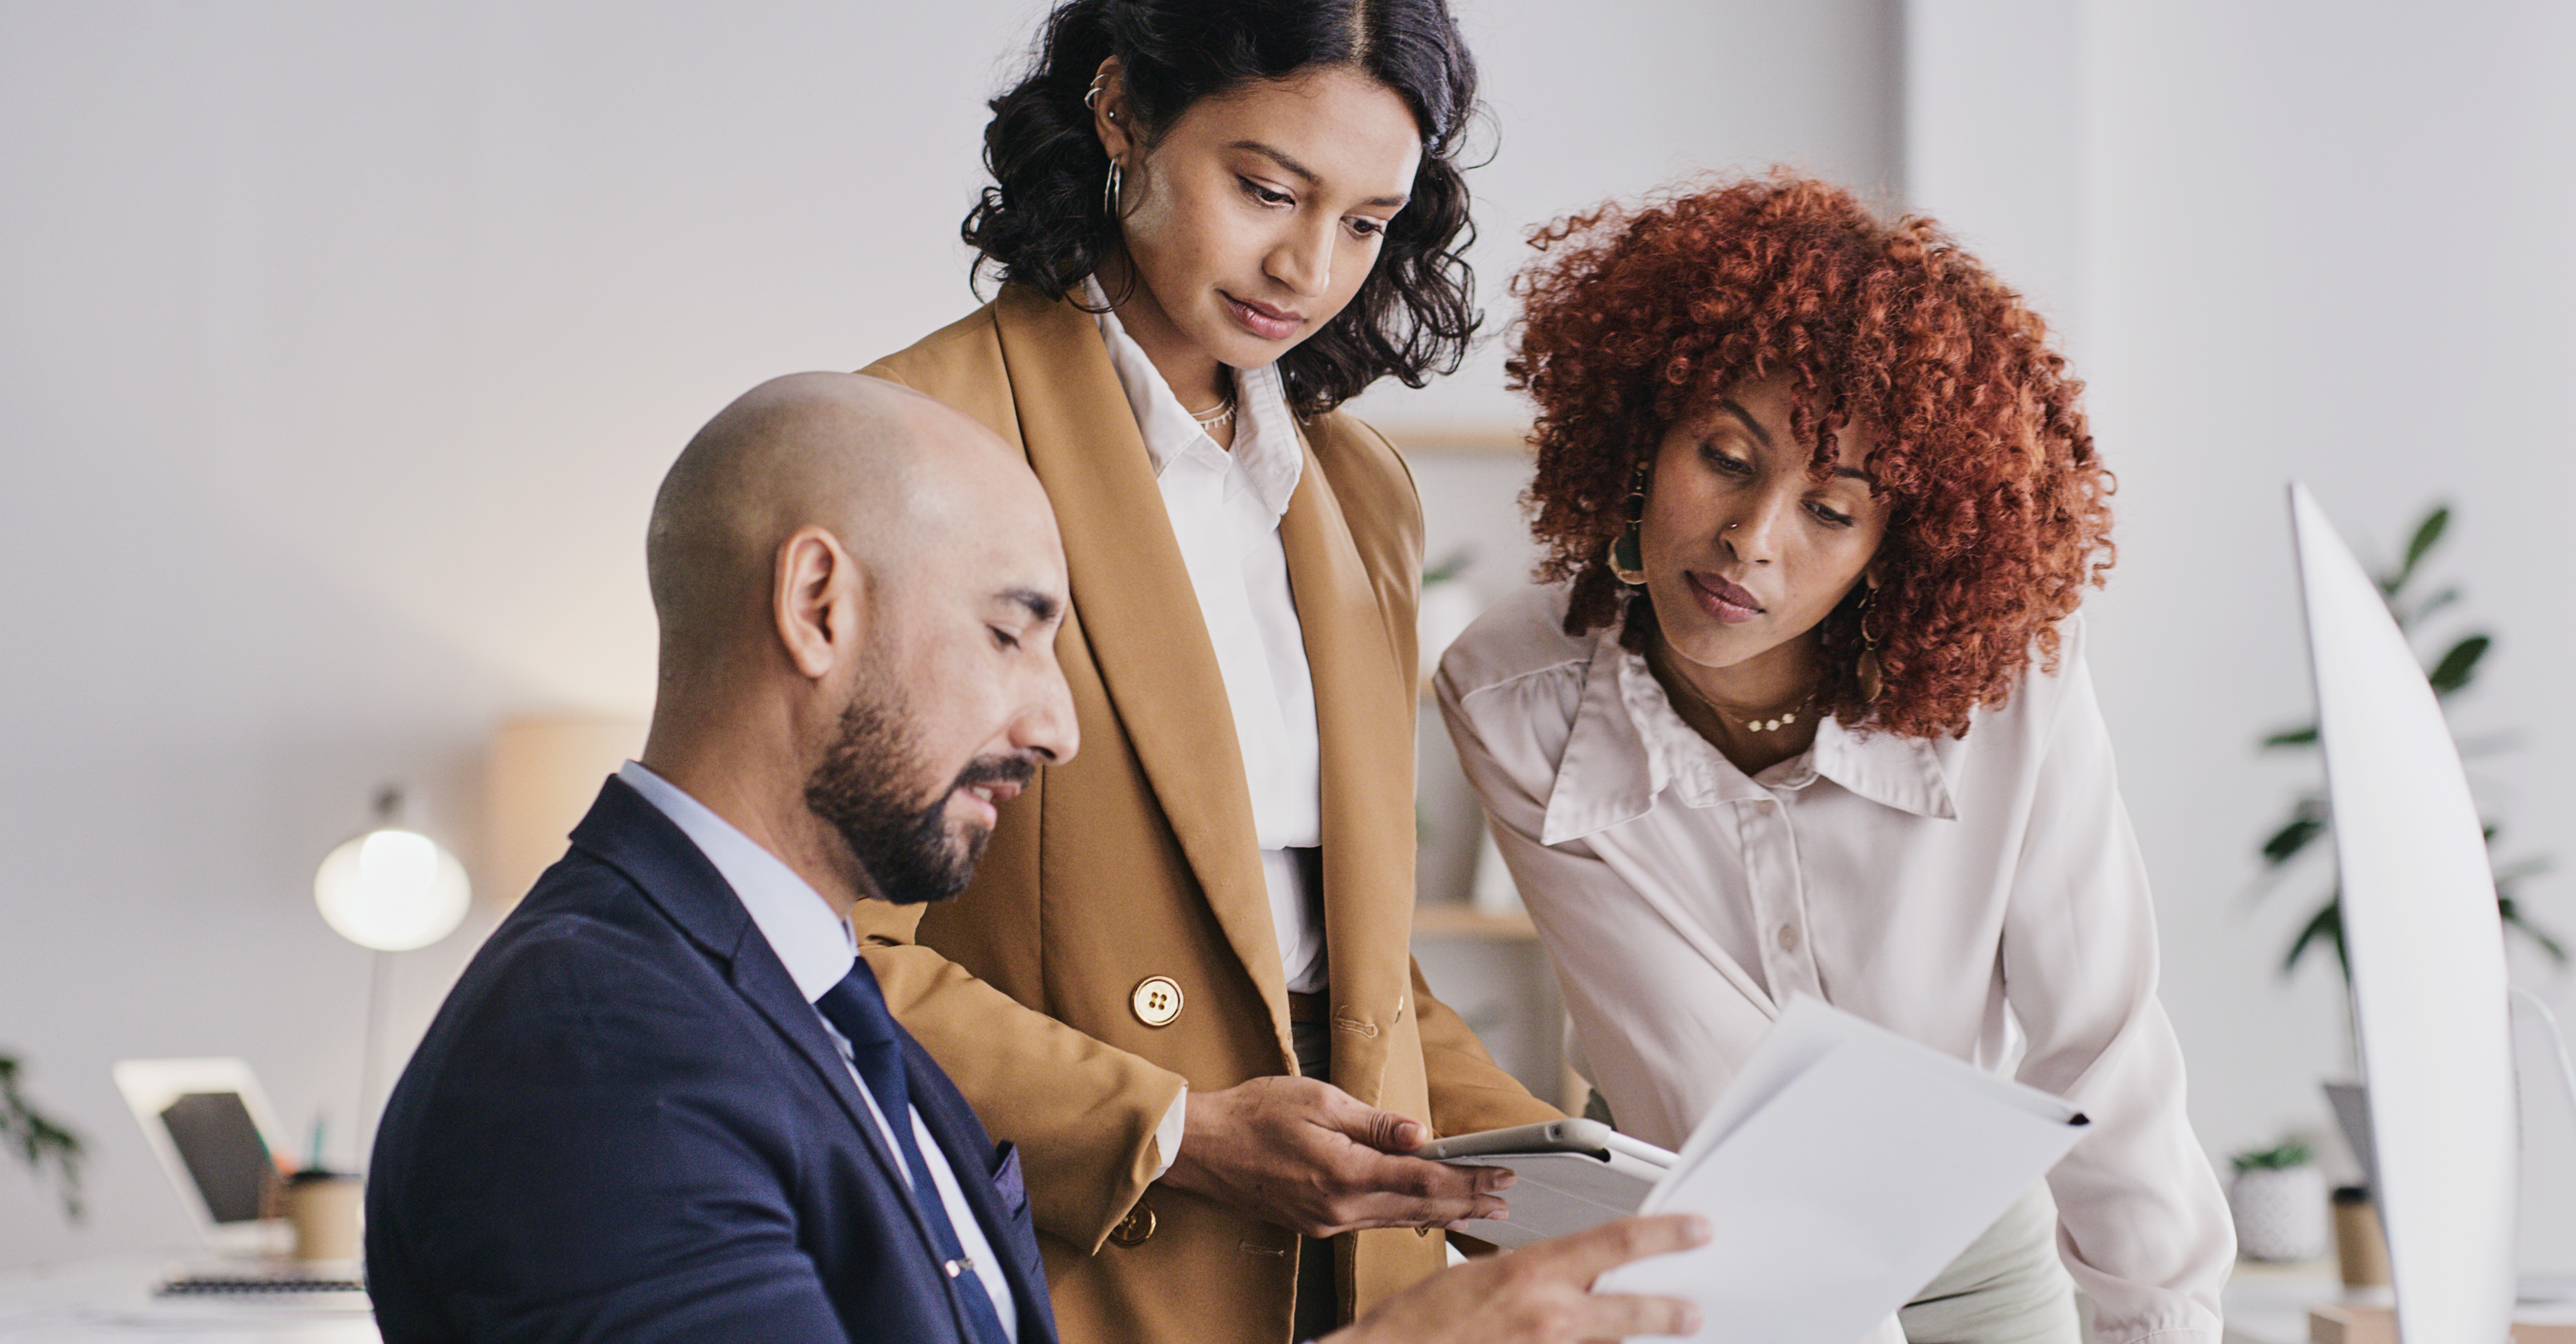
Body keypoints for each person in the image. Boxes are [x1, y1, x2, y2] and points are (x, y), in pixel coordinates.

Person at [363, 372, 1708, 1344]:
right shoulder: (602, 1050)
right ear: (817, 605)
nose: (1055, 724)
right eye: (1013, 635)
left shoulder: (816, 1006)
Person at [847, 3, 1560, 1341]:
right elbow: (811, 952)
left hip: (1356, 1279)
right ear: (1120, 110)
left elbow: (1359, 974)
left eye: (1364, 223)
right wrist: (1171, 1128)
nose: (1305, 265)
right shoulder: (916, 445)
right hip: (1083, 1261)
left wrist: (1576, 1181)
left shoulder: (1358, 490)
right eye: (1265, 188)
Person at [1434, 178, 2238, 1344]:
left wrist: (2160, 1326)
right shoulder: (1511, 697)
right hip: (1693, 1246)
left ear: (1898, 550)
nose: (1749, 540)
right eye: (1724, 455)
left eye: (1830, 510)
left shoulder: (2010, 691)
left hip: (1979, 1259)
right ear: (1640, 431)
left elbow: (2099, 1048)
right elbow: (1689, 1072)